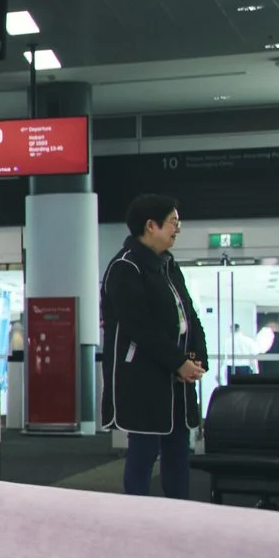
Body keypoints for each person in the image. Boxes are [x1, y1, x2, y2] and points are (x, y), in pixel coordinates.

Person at [100, 192, 206, 498]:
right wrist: (177, 362)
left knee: (177, 453)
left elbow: (189, 316)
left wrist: (196, 359)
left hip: (175, 377)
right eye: (173, 222)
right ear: (151, 226)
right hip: (144, 379)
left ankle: (178, 519)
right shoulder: (125, 268)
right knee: (144, 453)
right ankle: (136, 525)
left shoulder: (168, 265)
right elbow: (140, 328)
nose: (178, 228)